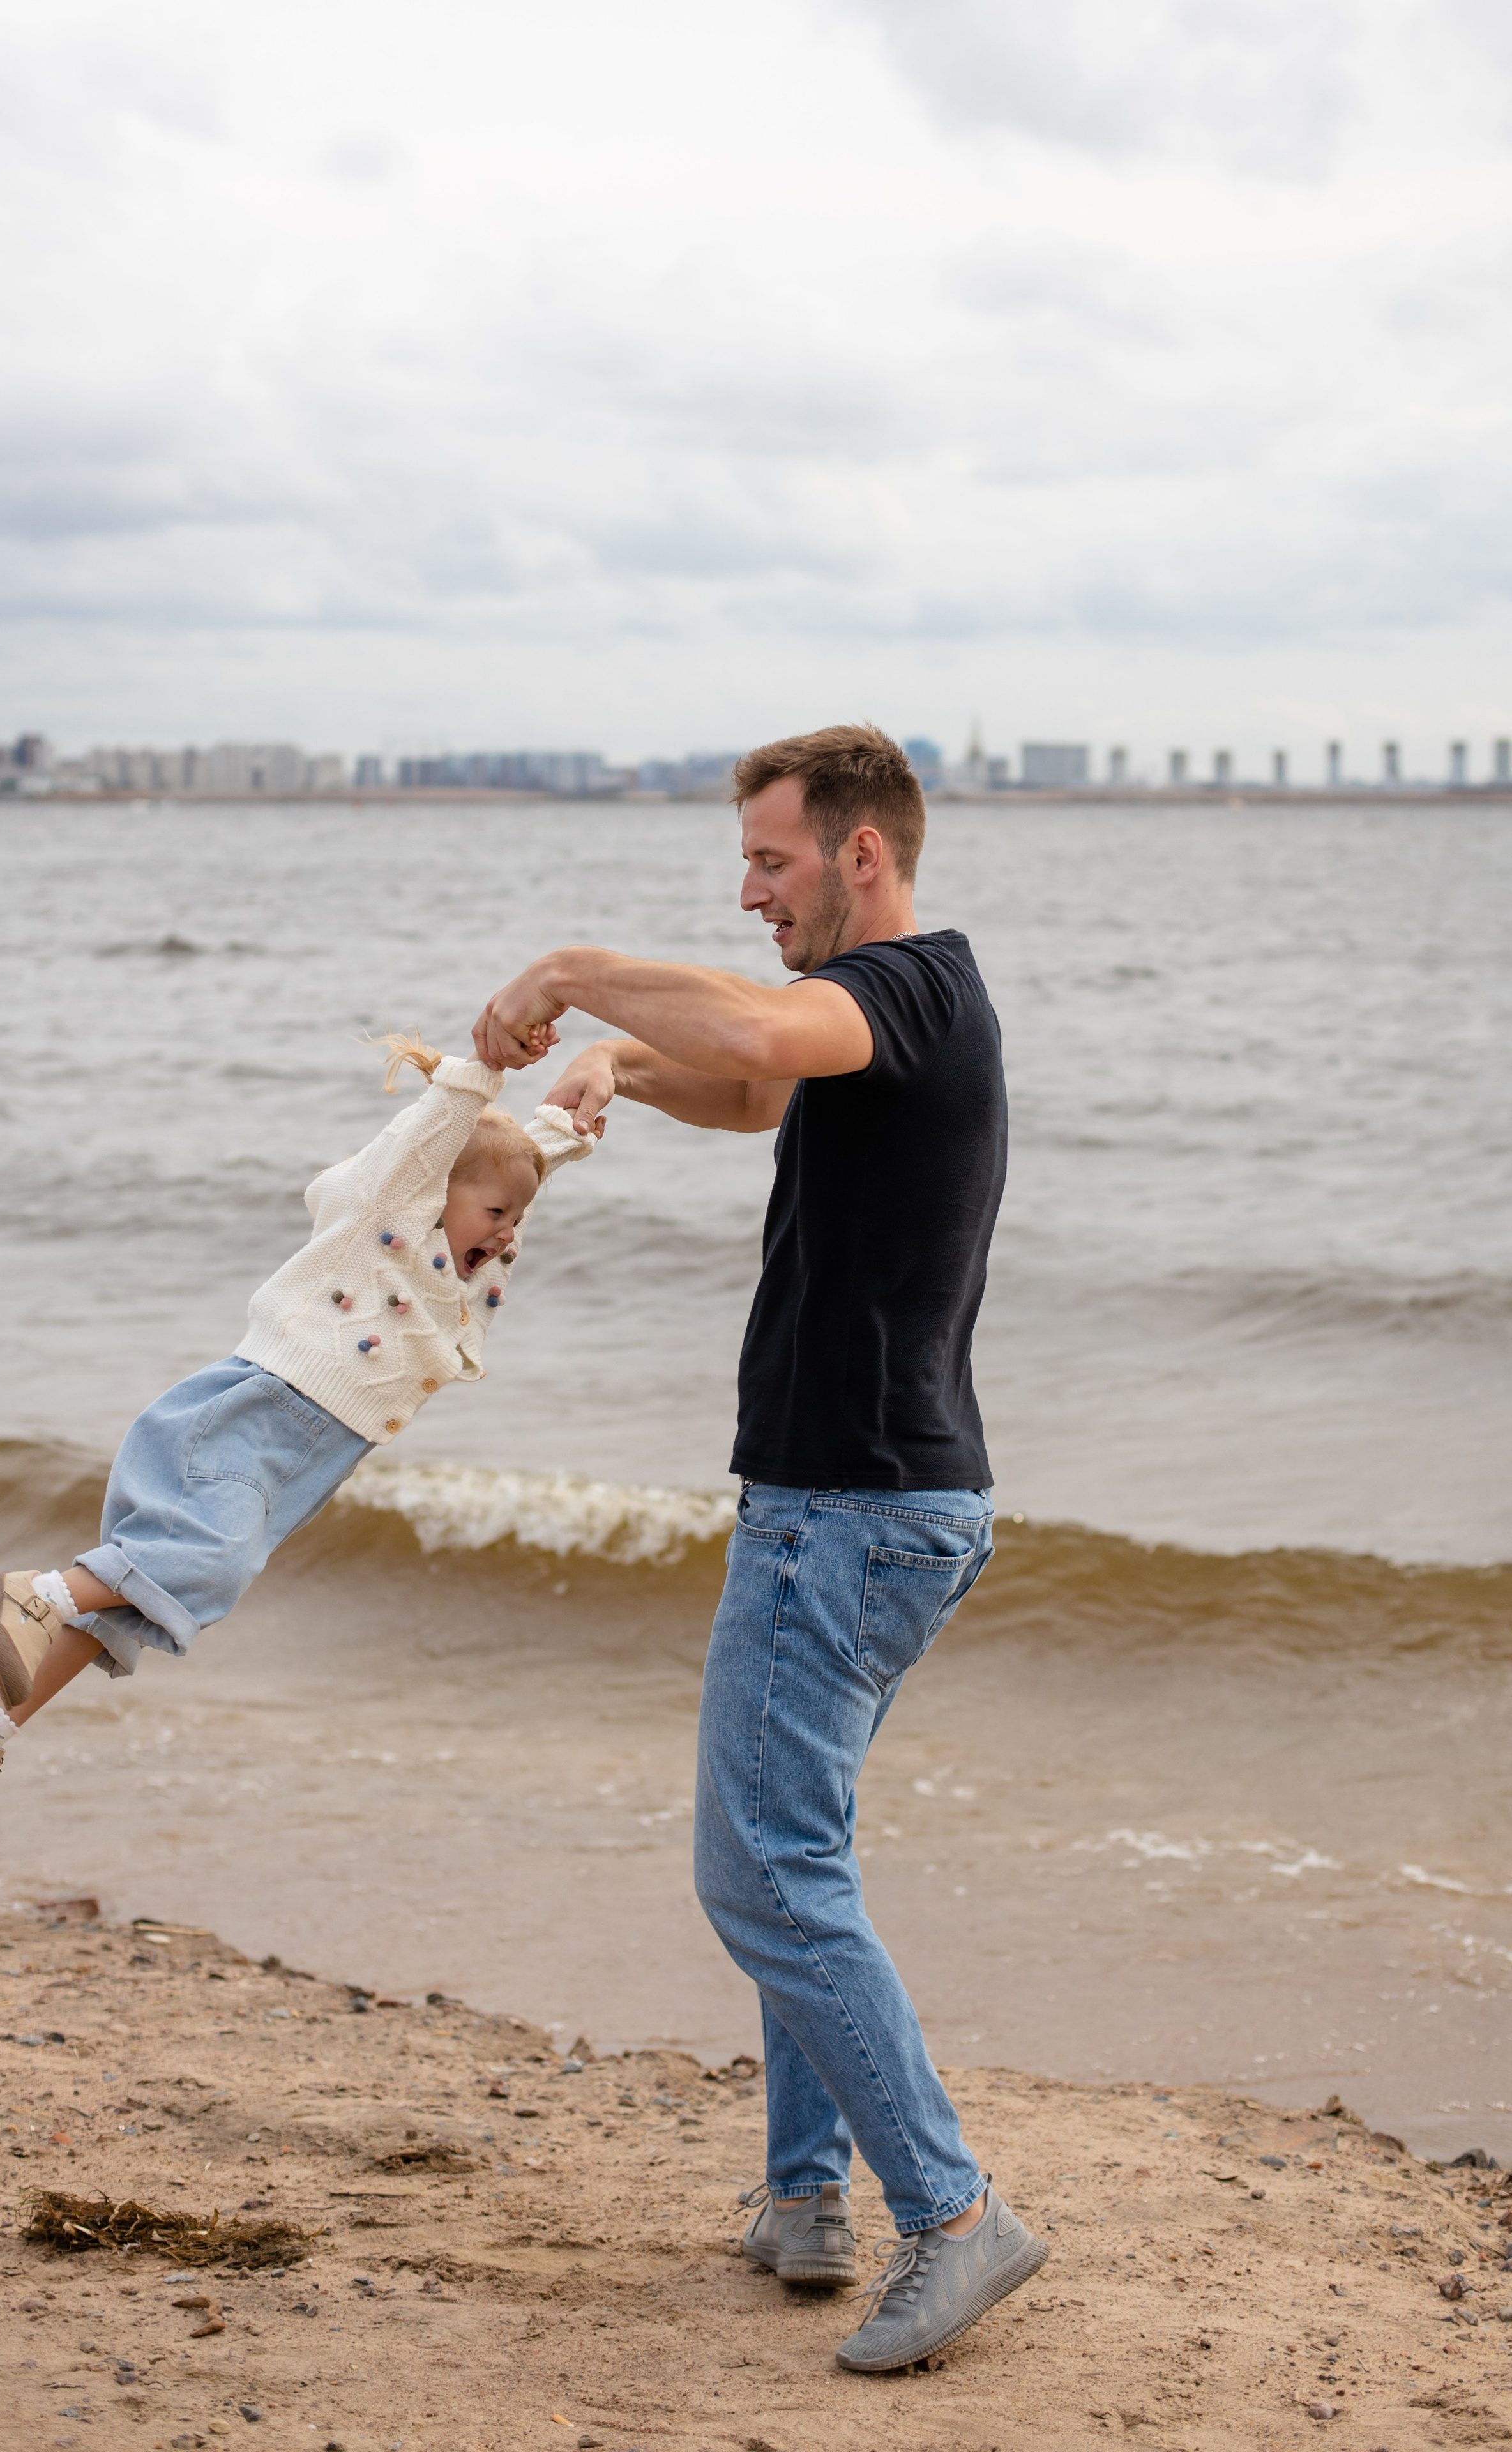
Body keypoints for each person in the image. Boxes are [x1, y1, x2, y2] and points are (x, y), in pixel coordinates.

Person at [471, 720, 1045, 2373]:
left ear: (863, 853)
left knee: (760, 1873)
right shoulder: (889, 1018)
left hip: (848, 1511)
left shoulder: (906, 987)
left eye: (771, 862)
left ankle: (953, 2214)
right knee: (801, 1850)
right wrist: (618, 1068)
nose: (748, 894)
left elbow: (752, 1027)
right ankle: (804, 2199)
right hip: (877, 1504)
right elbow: (750, 1083)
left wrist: (570, 973)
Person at [0, 1036, 594, 1853]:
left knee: (137, 1601)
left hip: (302, 1457)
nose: (509, 1233)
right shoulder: (383, 1218)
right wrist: (481, 1073)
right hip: (253, 1415)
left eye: (517, 1218)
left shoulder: (468, 1260)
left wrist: (563, 1129)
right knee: (205, 1565)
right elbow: (434, 1146)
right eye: (497, 1215)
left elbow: (510, 1173)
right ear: (434, 1188)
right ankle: (41, 1595)